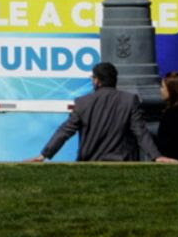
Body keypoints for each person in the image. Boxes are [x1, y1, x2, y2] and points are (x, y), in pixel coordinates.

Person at [26, 62, 163, 163]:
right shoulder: (129, 100)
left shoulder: (82, 102)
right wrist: (156, 156)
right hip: (122, 165)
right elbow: (141, 132)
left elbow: (65, 131)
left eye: (92, 78)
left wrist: (43, 155)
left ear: (97, 81)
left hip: (89, 163)